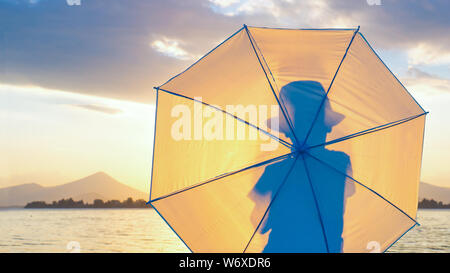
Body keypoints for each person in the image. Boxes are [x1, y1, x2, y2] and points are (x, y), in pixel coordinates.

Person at [248, 81, 354, 253]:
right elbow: (339, 207)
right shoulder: (341, 163)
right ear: (326, 128)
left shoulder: (275, 172)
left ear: (288, 133)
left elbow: (260, 225)